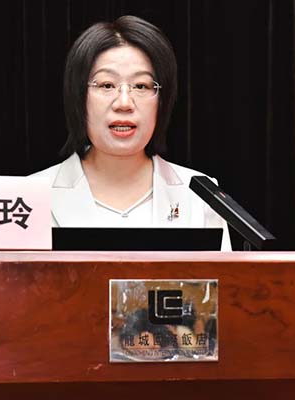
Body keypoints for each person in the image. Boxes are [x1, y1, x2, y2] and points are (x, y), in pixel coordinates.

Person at [32, 15, 231, 250]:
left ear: (162, 101)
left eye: (141, 86)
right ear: (78, 96)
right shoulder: (31, 195)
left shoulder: (199, 194)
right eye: (107, 85)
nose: (124, 103)